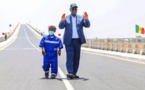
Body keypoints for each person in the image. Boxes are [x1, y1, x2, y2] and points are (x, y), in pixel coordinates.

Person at [59, 3, 90, 79]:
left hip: (77, 41)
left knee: (76, 58)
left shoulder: (80, 18)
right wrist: (62, 21)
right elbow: (60, 27)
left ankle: (74, 73)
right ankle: (70, 72)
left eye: (75, 9)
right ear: (70, 10)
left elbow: (87, 25)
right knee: (70, 57)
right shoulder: (66, 18)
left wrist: (86, 19)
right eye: (73, 9)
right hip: (69, 41)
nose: (74, 10)